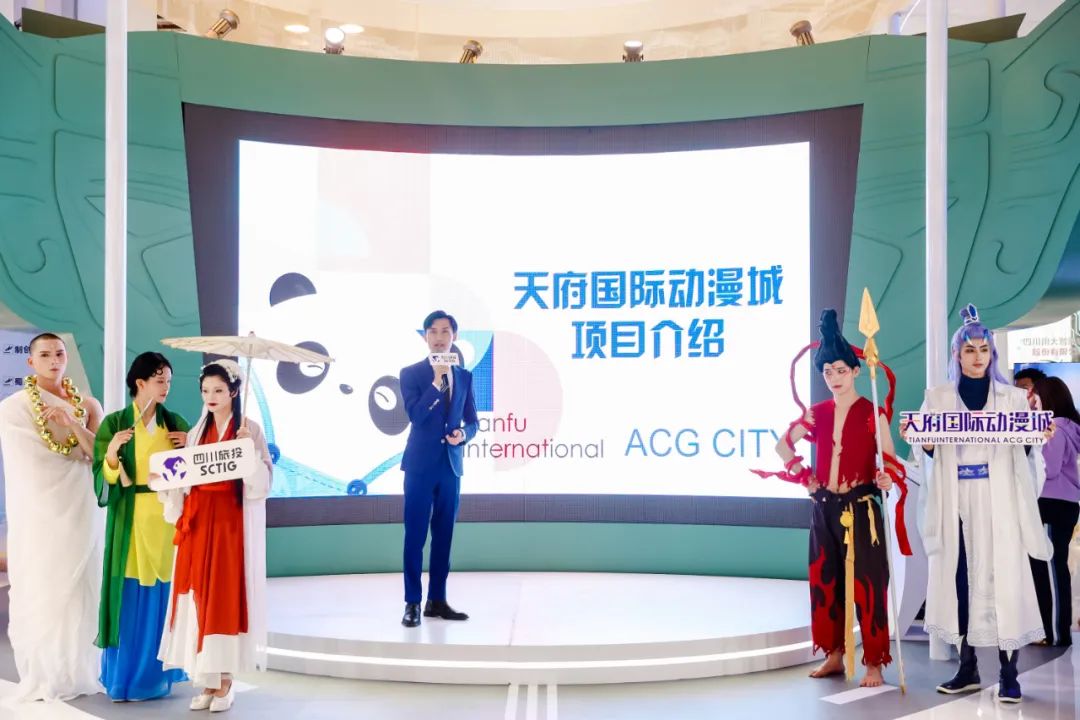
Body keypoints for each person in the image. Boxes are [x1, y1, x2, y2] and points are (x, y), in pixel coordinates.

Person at [917, 304, 1050, 703]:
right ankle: (968, 667)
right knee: (960, 582)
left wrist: (1035, 436)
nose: (977, 357)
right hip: (956, 501)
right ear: (957, 355)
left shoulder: (1013, 398)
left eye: (984, 350)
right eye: (969, 350)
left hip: (1000, 500)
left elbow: (1024, 454)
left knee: (1004, 579)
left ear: (992, 354)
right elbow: (927, 453)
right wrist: (923, 441)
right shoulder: (938, 398)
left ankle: (1009, 673)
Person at [766, 310, 906, 688]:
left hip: (861, 509)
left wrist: (885, 477)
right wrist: (805, 477)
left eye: (841, 370)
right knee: (825, 582)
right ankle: (833, 654)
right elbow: (782, 446)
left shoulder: (872, 413)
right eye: (828, 372)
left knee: (868, 584)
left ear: (856, 371)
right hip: (824, 507)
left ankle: (874, 662)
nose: (834, 378)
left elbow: (890, 461)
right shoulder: (818, 413)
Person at [159, 360, 273, 713]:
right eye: (206, 390)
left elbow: (262, 485)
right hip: (199, 521)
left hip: (228, 523)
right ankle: (207, 679)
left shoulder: (249, 429)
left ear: (234, 392)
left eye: (219, 390)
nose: (211, 396)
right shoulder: (197, 431)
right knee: (198, 594)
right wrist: (168, 480)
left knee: (222, 595)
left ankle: (225, 680)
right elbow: (185, 477)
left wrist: (248, 452)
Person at [0, 333, 104, 700]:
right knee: (46, 581)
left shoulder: (87, 403)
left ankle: (81, 668)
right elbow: (27, 465)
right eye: (44, 355)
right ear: (31, 362)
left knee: (81, 584)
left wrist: (72, 423)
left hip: (82, 505)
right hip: (43, 512)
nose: (54, 360)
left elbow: (98, 454)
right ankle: (48, 671)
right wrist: (71, 454)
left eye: (59, 353)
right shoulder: (14, 408)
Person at [93, 352, 189, 701]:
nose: (166, 387)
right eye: (160, 380)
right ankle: (124, 680)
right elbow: (103, 477)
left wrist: (190, 445)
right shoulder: (116, 423)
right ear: (140, 382)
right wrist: (112, 453)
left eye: (169, 381)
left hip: (167, 520)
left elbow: (192, 472)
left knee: (163, 596)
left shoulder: (175, 423)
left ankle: (156, 678)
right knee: (130, 597)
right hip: (130, 521)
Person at [398, 310, 479, 628]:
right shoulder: (410, 374)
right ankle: (412, 603)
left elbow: (473, 422)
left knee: (444, 536)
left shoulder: (465, 376)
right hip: (419, 466)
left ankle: (437, 600)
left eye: (445, 331)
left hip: (450, 466)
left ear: (454, 336)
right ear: (425, 337)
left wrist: (463, 435)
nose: (439, 337)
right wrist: (436, 382)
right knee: (415, 536)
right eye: (432, 331)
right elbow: (416, 417)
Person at [1029, 376, 1080, 647]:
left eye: (1035, 398)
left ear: (1046, 398)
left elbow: (1049, 468)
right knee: (1055, 565)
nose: (1033, 403)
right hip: (1065, 503)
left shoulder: (1055, 428)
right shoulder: (1070, 427)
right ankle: (1054, 631)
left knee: (1048, 565)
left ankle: (1053, 632)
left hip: (1050, 502)